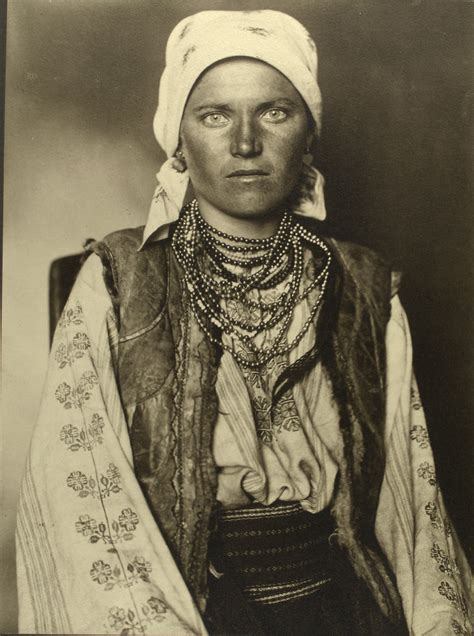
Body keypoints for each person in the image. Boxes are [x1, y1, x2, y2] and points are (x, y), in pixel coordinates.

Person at [16, 10, 472, 636]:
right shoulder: (119, 280)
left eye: (274, 112)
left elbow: (410, 504)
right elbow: (82, 499)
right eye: (214, 115)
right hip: (190, 609)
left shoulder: (365, 288)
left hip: (343, 609)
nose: (246, 143)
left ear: (309, 135)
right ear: (178, 139)